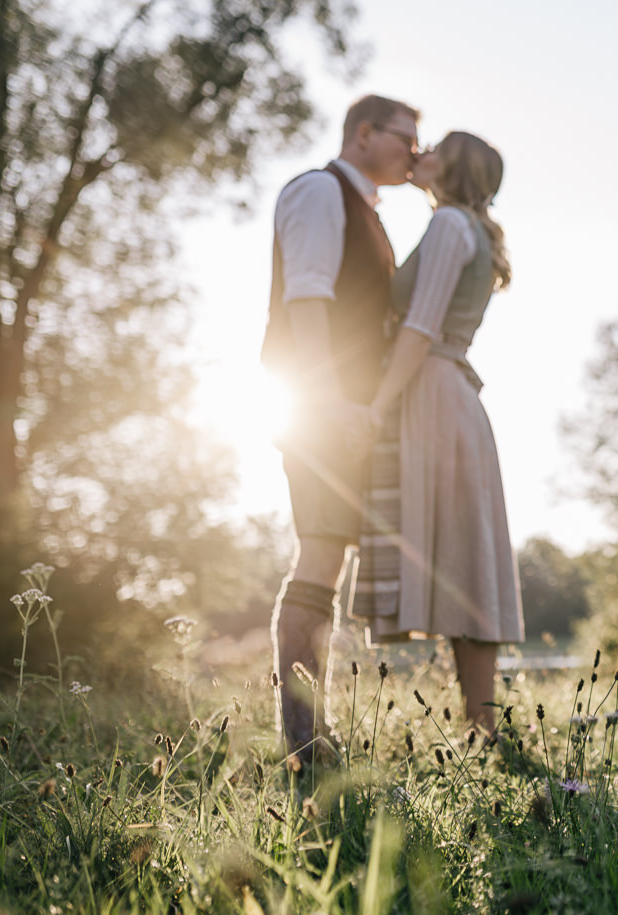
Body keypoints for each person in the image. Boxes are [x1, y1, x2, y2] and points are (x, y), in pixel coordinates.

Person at [261, 94, 421, 766]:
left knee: (330, 555)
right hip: (319, 406)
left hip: (343, 410)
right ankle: (304, 740)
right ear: (363, 133)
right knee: (321, 553)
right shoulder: (319, 193)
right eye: (406, 138)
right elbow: (307, 298)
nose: (415, 152)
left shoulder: (365, 211)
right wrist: (328, 402)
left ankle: (312, 731)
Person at [350, 131, 524, 736]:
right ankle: (483, 728)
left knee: (460, 556)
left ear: (456, 168)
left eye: (436, 146)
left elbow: (418, 328)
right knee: (462, 554)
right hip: (446, 394)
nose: (420, 151)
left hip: (430, 394)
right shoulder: (461, 226)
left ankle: (482, 727)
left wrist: (376, 406)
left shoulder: (451, 225)